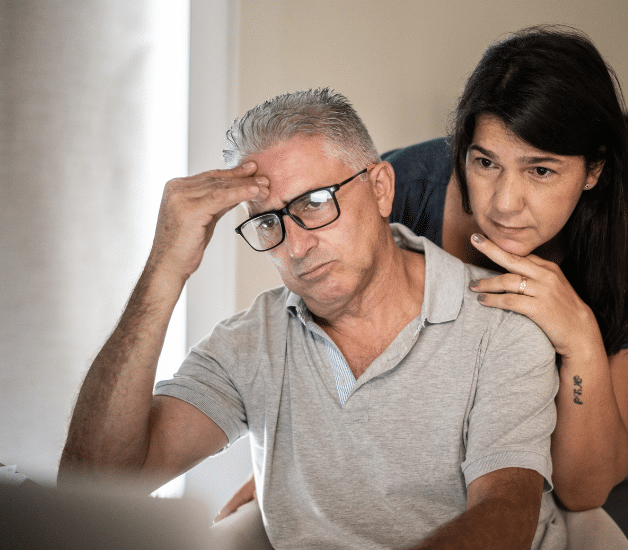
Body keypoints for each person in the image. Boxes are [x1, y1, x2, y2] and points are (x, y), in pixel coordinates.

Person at [58, 88, 565, 549]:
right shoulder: (252, 341)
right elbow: (94, 489)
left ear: (381, 188)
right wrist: (164, 272)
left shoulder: (500, 323)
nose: (296, 246)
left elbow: (506, 515)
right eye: (267, 222)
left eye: (316, 203)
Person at [217, 24, 628, 521]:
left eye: (541, 171)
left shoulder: (623, 271)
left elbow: (586, 491)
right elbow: (317, 350)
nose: (506, 204)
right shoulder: (395, 194)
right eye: (485, 162)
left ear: (594, 169)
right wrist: (282, 470)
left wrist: (581, 341)